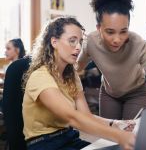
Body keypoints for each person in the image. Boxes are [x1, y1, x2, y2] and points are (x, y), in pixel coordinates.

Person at [22, 17, 135, 150]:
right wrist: (119, 136)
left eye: (80, 42)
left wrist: (115, 124)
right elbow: (72, 117)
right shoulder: (40, 77)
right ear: (54, 42)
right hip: (44, 143)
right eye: (72, 41)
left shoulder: (71, 75)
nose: (78, 47)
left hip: (68, 136)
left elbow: (85, 116)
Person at [77, 0, 146, 120]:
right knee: (109, 135)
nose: (117, 39)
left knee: (131, 133)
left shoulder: (139, 45)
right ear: (99, 28)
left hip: (136, 93)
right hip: (109, 93)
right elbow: (77, 68)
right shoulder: (91, 42)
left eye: (123, 31)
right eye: (110, 32)